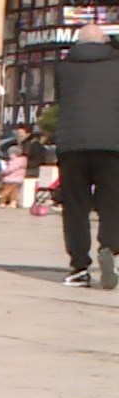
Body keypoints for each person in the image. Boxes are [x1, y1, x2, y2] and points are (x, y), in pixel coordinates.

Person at [53, 21, 119, 288]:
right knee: (112, 203)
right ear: (105, 41)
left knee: (75, 207)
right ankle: (110, 248)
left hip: (72, 144)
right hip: (112, 144)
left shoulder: (63, 68)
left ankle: (79, 266)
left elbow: (61, 100)